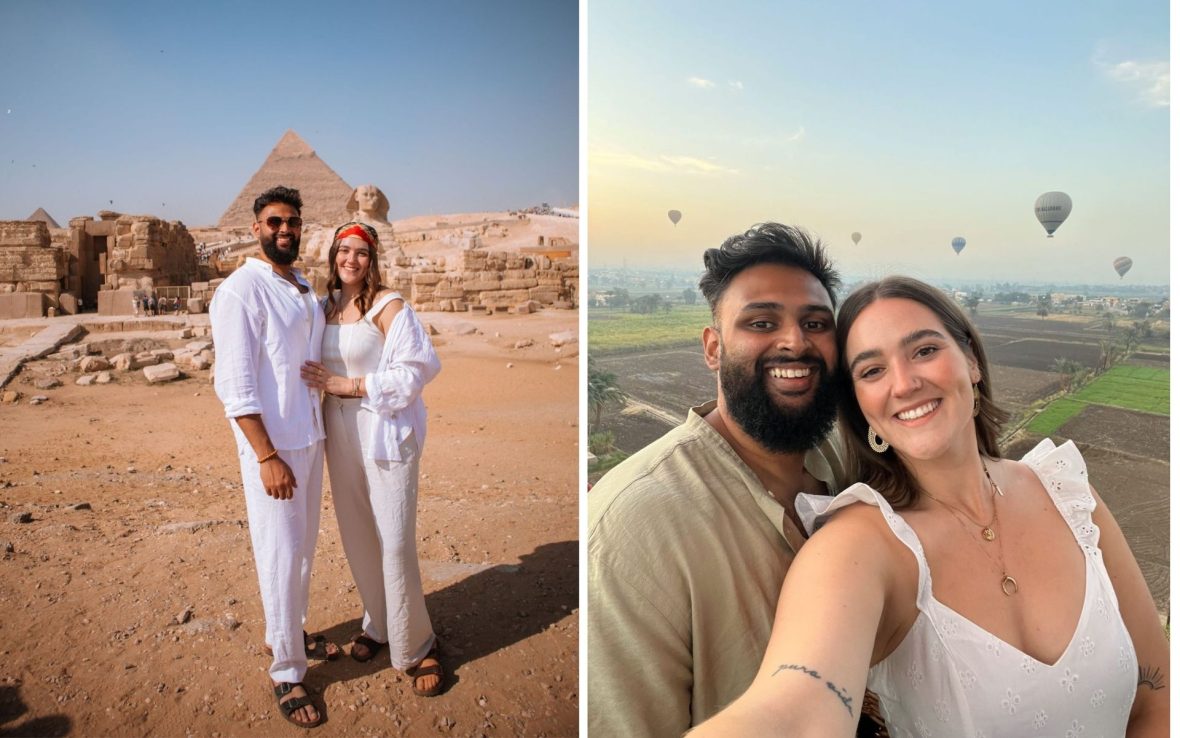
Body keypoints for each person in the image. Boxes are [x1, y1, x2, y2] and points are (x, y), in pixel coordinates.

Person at [691, 276, 1169, 737]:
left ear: (972, 362)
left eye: (924, 350)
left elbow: (1159, 696)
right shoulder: (858, 546)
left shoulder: (1068, 495)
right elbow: (796, 704)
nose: (904, 384)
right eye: (872, 370)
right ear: (860, 406)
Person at [588, 223, 853, 737]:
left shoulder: (844, 460)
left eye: (816, 322)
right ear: (713, 348)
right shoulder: (632, 531)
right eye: (760, 322)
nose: (795, 342)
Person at [210, 185, 338, 729]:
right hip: (275, 448)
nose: (285, 230)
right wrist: (266, 455)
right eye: (274, 222)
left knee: (302, 551)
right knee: (281, 555)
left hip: (309, 437)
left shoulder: (302, 286)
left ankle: (286, 630)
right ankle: (287, 671)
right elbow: (235, 386)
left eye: (292, 222)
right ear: (256, 226)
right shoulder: (241, 291)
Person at [300, 220, 445, 698]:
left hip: (383, 431)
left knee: (395, 539)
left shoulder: (388, 306)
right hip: (337, 434)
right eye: (344, 251)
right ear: (333, 256)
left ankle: (417, 642)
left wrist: (354, 385)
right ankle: (379, 625)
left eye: (360, 253)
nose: (351, 260)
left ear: (373, 259)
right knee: (358, 535)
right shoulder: (323, 308)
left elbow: (418, 368)